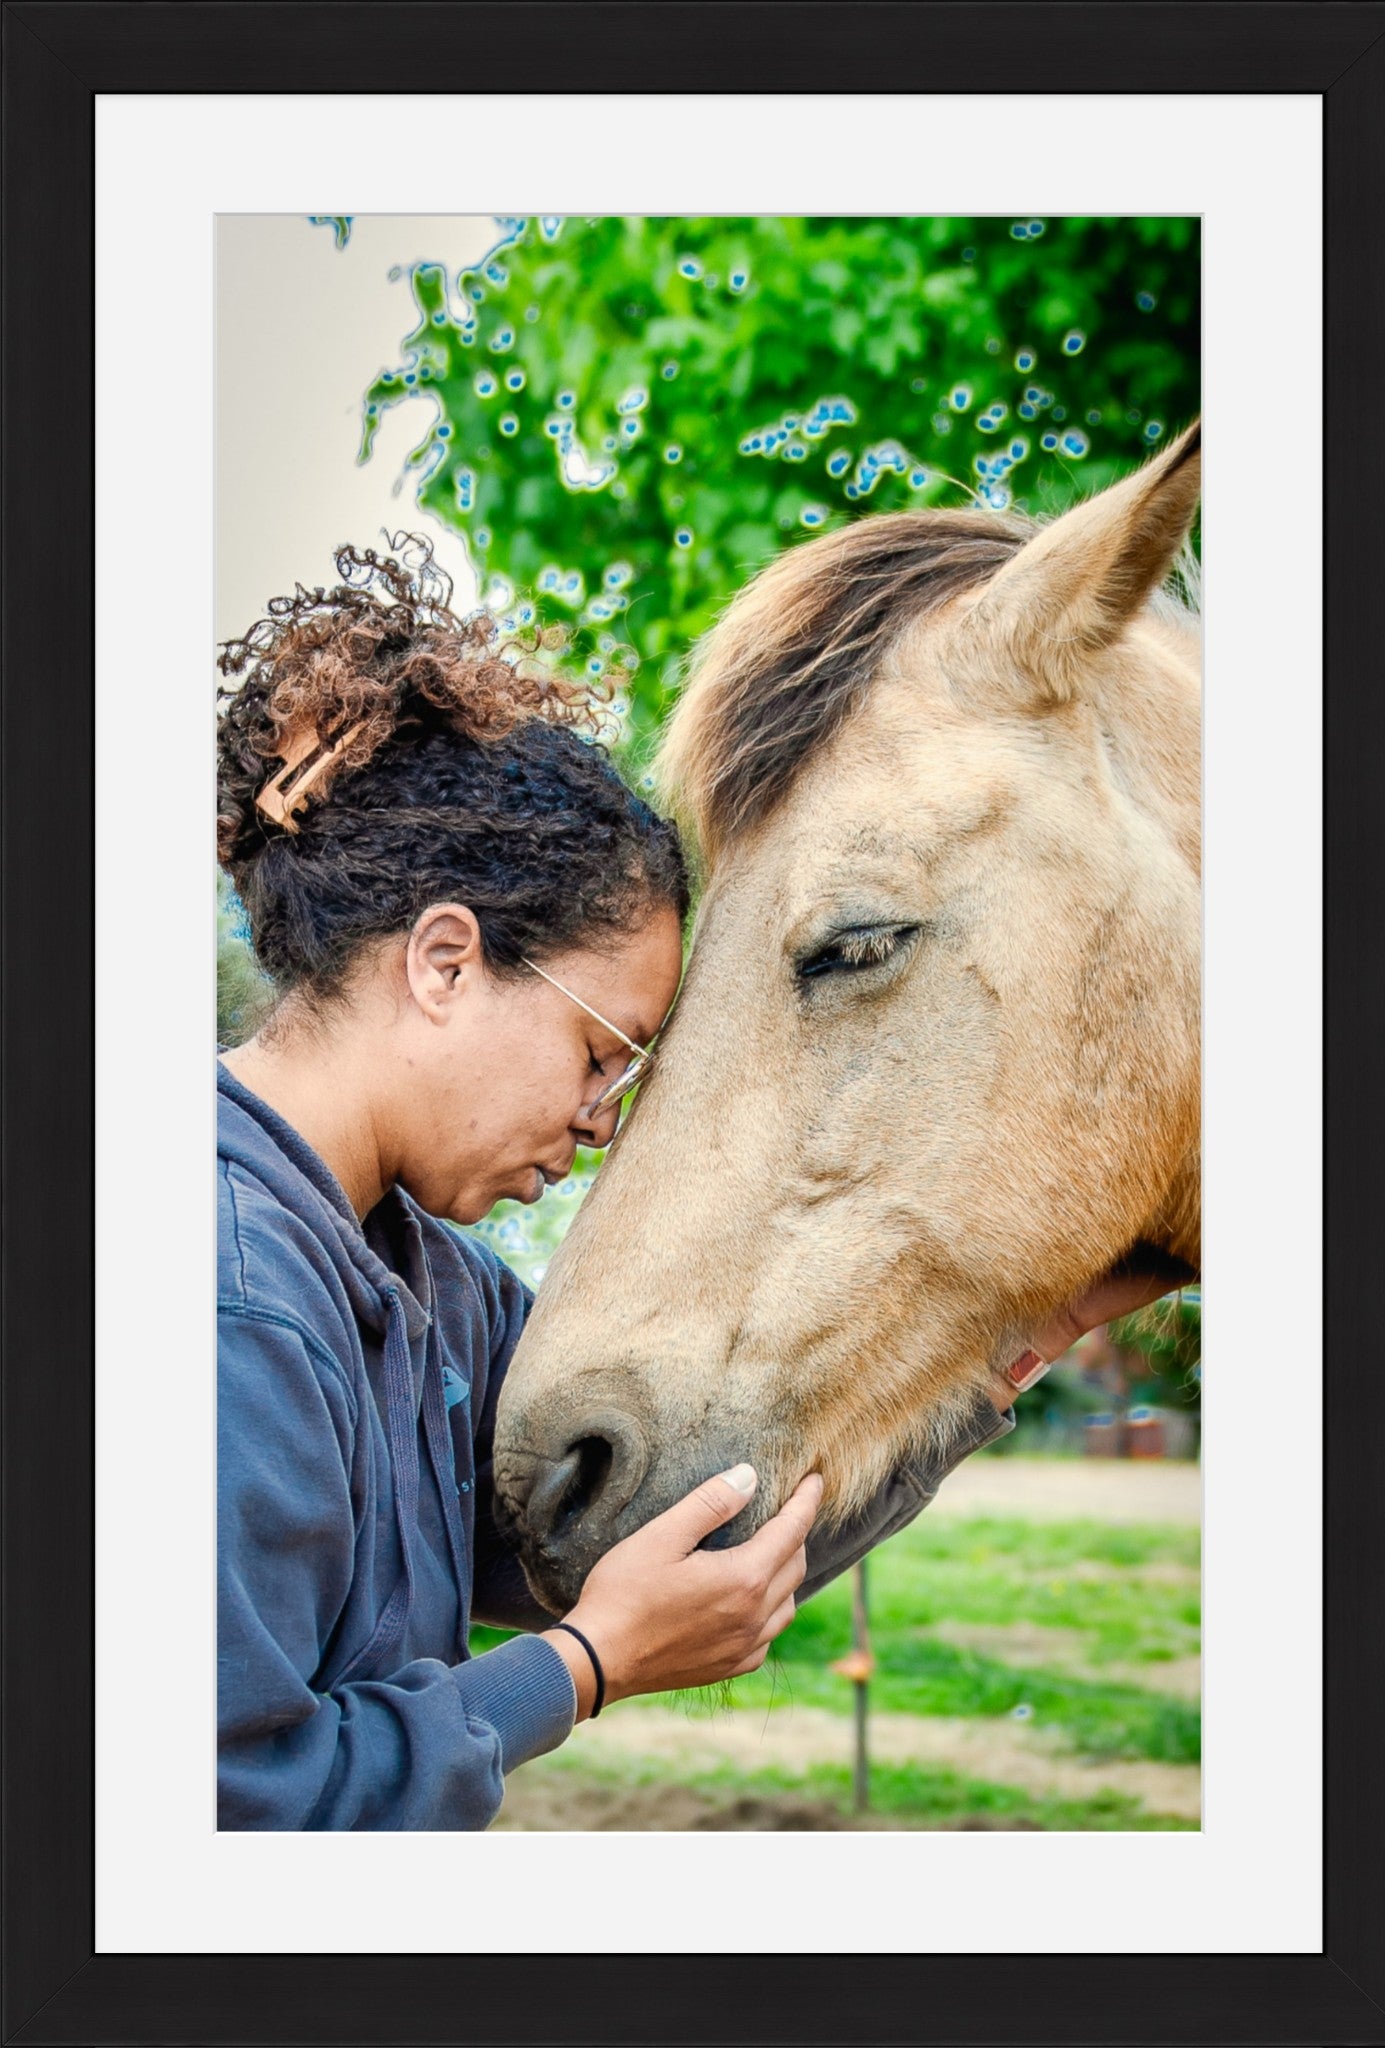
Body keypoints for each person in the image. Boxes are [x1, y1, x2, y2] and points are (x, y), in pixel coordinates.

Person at [216, 539, 1014, 1831]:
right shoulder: (230, 1297)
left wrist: (1001, 1358)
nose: (602, 1122)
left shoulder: (431, 1280)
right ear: (442, 964)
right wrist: (582, 1671)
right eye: (600, 1053)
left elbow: (617, 1546)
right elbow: (228, 1820)